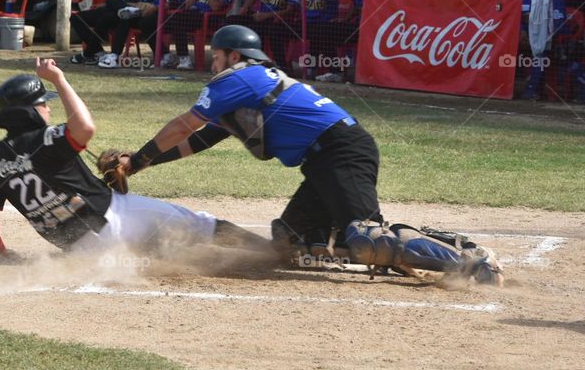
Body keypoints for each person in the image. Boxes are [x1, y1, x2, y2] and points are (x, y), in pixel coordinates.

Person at [118, 25, 504, 285]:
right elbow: (199, 140)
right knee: (291, 241)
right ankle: (408, 251)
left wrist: (136, 160)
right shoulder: (252, 83)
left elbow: (184, 126)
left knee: (366, 237)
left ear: (233, 55)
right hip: (324, 159)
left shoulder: (239, 78)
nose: (212, 62)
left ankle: (470, 262)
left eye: (216, 55)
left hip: (341, 150)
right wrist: (144, 161)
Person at [0, 58, 275, 260]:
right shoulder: (45, 138)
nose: (48, 110)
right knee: (203, 225)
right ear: (30, 110)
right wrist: (59, 79)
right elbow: (85, 127)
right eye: (44, 104)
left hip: (82, 253)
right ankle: (273, 253)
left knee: (155, 253)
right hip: (115, 218)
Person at [159, 0, 234, 71]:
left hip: (209, 18)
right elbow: (187, 5)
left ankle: (184, 58)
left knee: (178, 19)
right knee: (160, 21)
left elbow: (215, 7)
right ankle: (167, 55)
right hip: (192, 15)